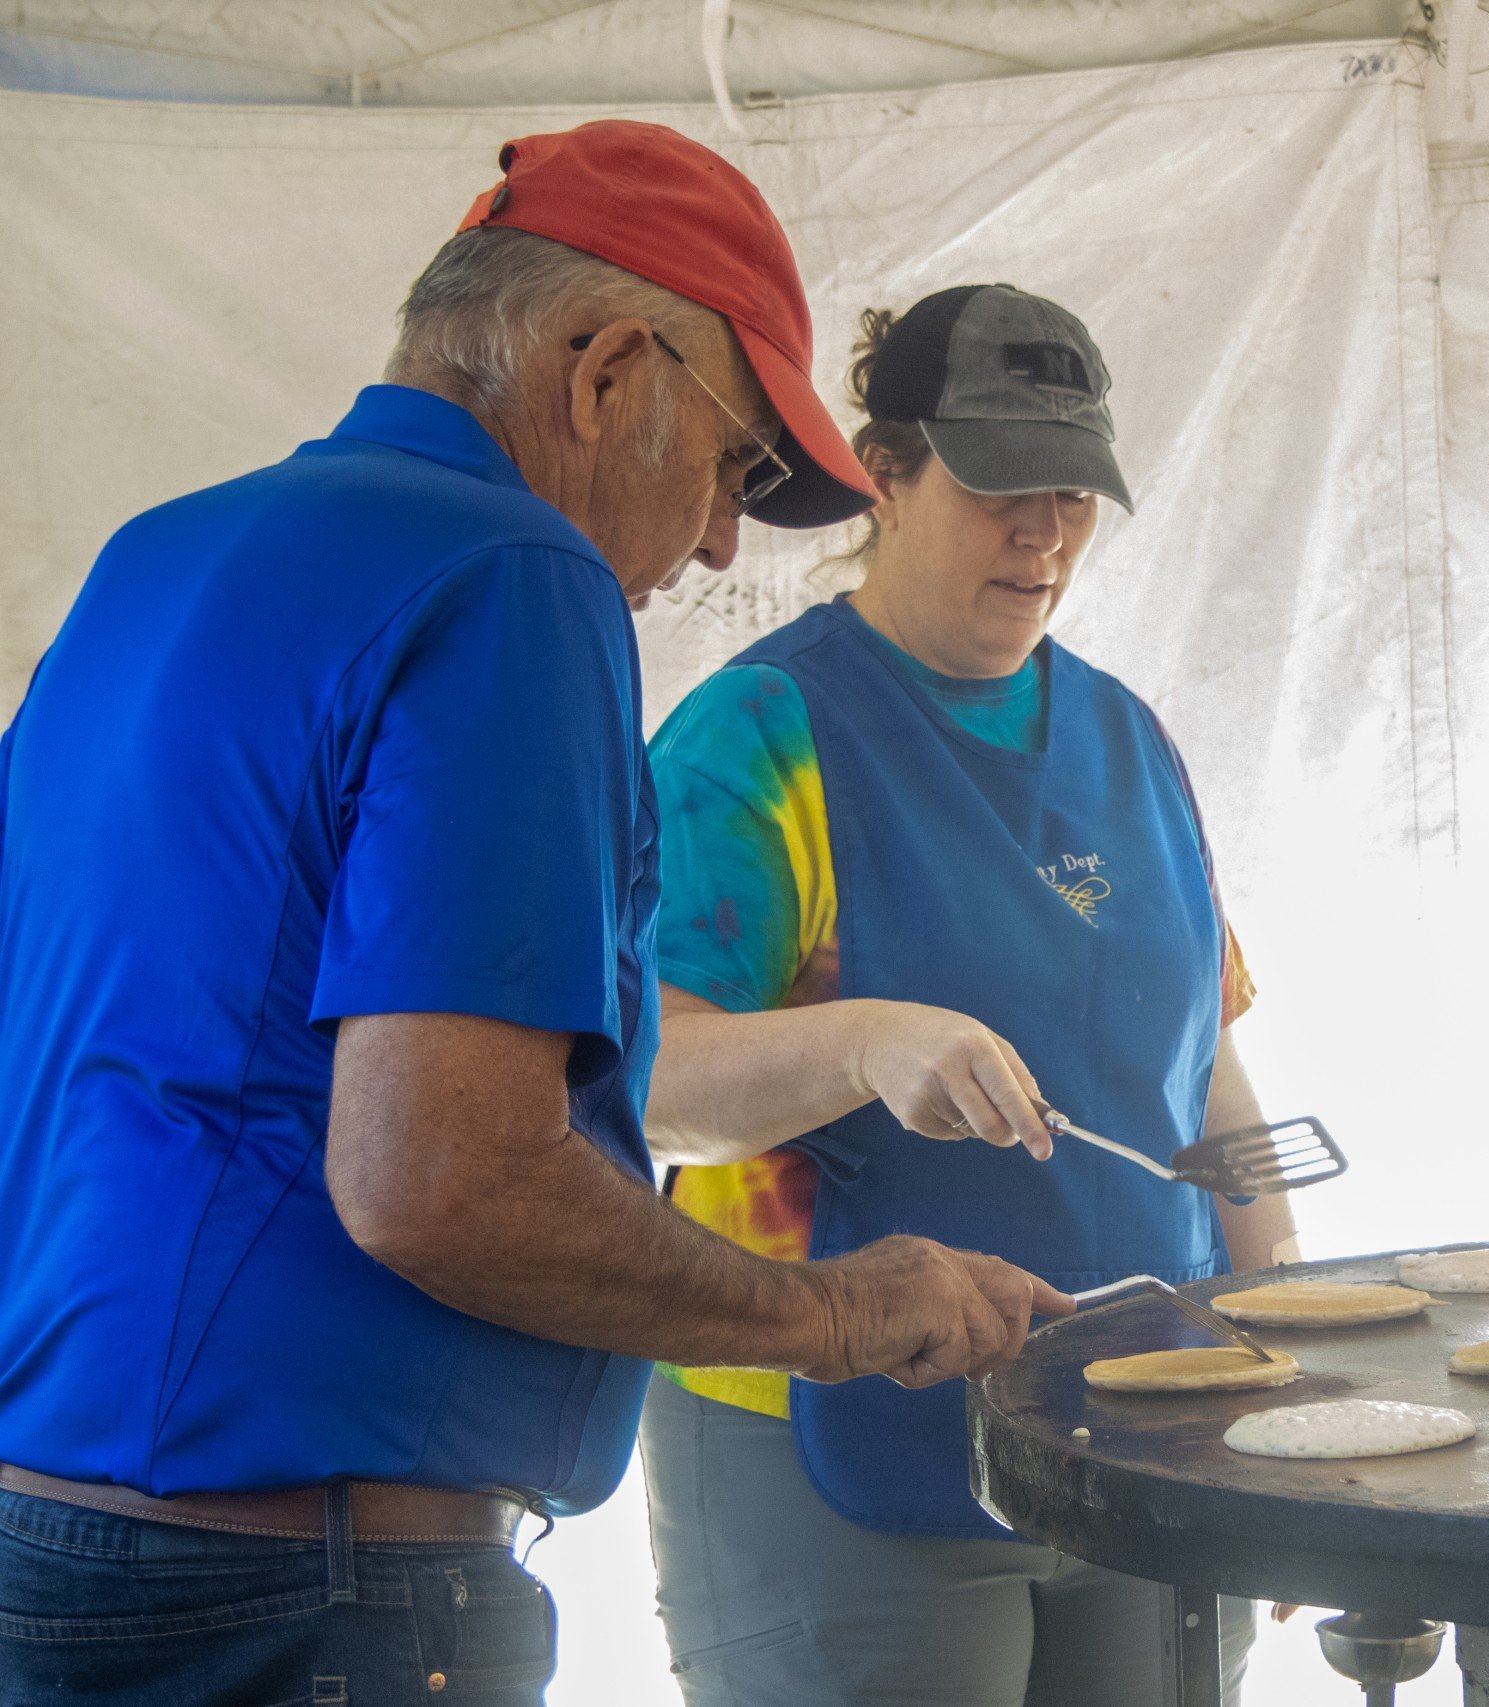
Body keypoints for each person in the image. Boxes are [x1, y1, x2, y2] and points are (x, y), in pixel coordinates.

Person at [0, 123, 1069, 1707]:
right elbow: (443, 1179)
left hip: (53, 1546)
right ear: (607, 371)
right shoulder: (513, 572)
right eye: (735, 465)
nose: (717, 539)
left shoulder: (153, 557)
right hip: (304, 1590)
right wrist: (840, 1311)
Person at [637, 285, 1292, 1706]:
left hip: (1146, 1427)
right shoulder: (756, 739)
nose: (1043, 531)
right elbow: (648, 1085)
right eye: (1002, 484)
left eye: (1073, 491)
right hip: (833, 1436)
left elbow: (1210, 1086)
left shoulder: (1130, 739)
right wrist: (865, 1042)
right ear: (885, 468)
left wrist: (1289, 1348)